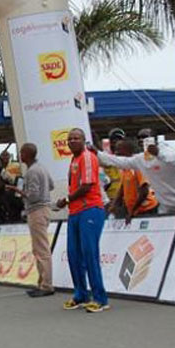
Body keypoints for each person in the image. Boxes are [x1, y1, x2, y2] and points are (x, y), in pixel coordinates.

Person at [56, 129, 109, 313]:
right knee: (73, 254)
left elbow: (86, 186)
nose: (72, 141)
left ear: (84, 140)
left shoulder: (87, 157)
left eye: (76, 138)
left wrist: (67, 199)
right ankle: (81, 294)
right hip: (75, 212)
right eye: (69, 139)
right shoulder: (74, 160)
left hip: (90, 210)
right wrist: (68, 202)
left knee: (89, 254)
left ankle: (100, 298)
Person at [97, 128, 175, 215]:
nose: (142, 140)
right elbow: (119, 161)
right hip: (167, 209)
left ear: (155, 140)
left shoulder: (165, 151)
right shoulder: (140, 159)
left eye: (145, 137)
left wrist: (158, 153)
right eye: (139, 138)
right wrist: (96, 153)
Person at [6, 143, 55, 297]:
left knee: (41, 249)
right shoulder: (41, 168)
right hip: (44, 209)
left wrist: (18, 191)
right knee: (40, 248)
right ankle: (43, 282)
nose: (20, 155)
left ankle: (46, 285)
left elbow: (33, 195)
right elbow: (51, 185)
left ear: (27, 154)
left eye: (21, 152)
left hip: (36, 210)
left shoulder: (32, 172)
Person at [109, 139, 160, 222]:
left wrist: (133, 211)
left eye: (118, 150)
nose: (116, 153)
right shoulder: (126, 168)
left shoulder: (138, 166)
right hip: (135, 210)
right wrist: (114, 205)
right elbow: (122, 189)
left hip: (146, 210)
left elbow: (144, 192)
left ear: (127, 151)